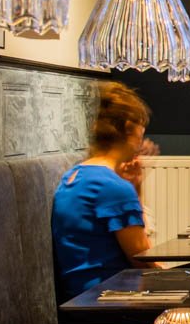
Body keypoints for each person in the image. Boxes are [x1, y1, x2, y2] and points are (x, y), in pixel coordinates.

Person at [52, 82, 161, 303]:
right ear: (129, 128)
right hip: (109, 300)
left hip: (79, 298)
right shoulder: (112, 187)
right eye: (141, 128)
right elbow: (143, 261)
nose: (143, 138)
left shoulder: (74, 175)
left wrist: (134, 186)